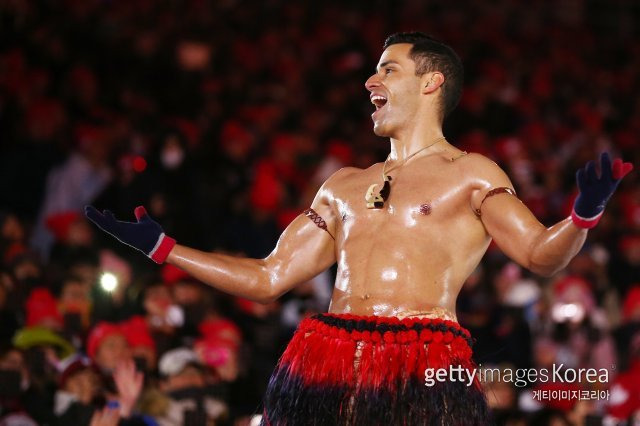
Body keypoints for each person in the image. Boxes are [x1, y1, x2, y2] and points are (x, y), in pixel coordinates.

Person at [85, 32, 633, 425]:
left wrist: (582, 215)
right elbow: (269, 277)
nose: (371, 80)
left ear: (431, 82)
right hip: (325, 356)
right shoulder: (342, 184)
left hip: (420, 363)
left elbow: (541, 255)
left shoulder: (471, 173)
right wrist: (164, 248)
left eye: (388, 69)